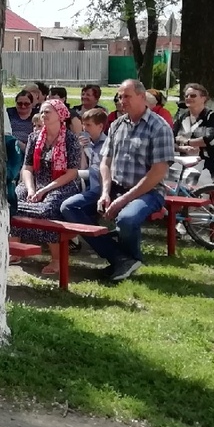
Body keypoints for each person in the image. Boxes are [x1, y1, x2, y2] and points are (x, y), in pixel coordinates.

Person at [61, 79, 174, 282]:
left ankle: (128, 261)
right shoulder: (118, 124)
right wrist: (105, 192)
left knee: (126, 218)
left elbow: (158, 172)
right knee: (69, 207)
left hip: (148, 191)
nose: (122, 101)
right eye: (120, 97)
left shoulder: (159, 127)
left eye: (127, 96)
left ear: (142, 97)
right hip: (114, 187)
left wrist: (122, 201)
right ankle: (119, 258)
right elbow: (105, 162)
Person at [11, 99, 83, 277]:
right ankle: (15, 250)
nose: (43, 115)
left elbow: (72, 173)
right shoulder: (34, 138)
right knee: (15, 199)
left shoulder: (70, 139)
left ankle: (57, 259)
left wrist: (44, 190)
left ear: (60, 115)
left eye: (47, 112)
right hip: (36, 183)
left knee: (49, 207)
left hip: (62, 183)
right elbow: (27, 168)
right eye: (42, 112)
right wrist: (31, 189)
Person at [59, 108, 110, 230]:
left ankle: (96, 233)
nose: (84, 128)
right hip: (91, 186)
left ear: (100, 126)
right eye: (83, 124)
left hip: (101, 189)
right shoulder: (88, 143)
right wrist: (81, 148)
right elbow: (83, 167)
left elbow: (101, 170)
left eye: (88, 125)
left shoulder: (107, 144)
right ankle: (95, 231)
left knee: (68, 207)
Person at [174, 83, 214, 163]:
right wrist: (181, 148)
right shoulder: (182, 117)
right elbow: (170, 140)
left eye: (193, 96)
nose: (188, 98)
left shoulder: (211, 116)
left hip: (207, 161)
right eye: (186, 96)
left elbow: (210, 140)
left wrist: (186, 141)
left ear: (203, 98)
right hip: (182, 161)